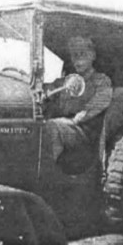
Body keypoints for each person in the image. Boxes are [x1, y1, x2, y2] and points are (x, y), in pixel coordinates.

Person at [44, 36, 113, 169]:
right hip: (66, 128)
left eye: (82, 54)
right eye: (74, 55)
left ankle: (51, 171)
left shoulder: (101, 80)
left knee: (51, 126)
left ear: (92, 55)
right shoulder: (63, 81)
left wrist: (80, 116)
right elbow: (48, 90)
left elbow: (102, 100)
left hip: (85, 132)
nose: (78, 60)